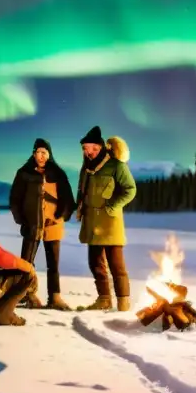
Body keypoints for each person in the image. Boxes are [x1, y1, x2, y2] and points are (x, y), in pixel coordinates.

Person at [75, 125, 137, 312]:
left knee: (116, 265)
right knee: (95, 263)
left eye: (93, 148)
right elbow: (81, 189)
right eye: (86, 148)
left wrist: (112, 206)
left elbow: (130, 190)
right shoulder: (86, 168)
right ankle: (104, 299)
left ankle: (124, 303)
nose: (89, 152)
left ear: (101, 147)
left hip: (110, 223)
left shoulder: (117, 166)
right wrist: (79, 207)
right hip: (92, 222)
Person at [9, 137, 75, 310]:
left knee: (53, 264)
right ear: (33, 154)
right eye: (37, 152)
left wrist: (61, 216)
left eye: (43, 152)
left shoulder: (58, 174)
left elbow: (68, 200)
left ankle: (55, 297)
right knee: (26, 263)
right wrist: (21, 219)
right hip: (31, 225)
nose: (40, 155)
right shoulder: (24, 173)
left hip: (53, 225)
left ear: (49, 154)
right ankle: (25, 295)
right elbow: (15, 199)